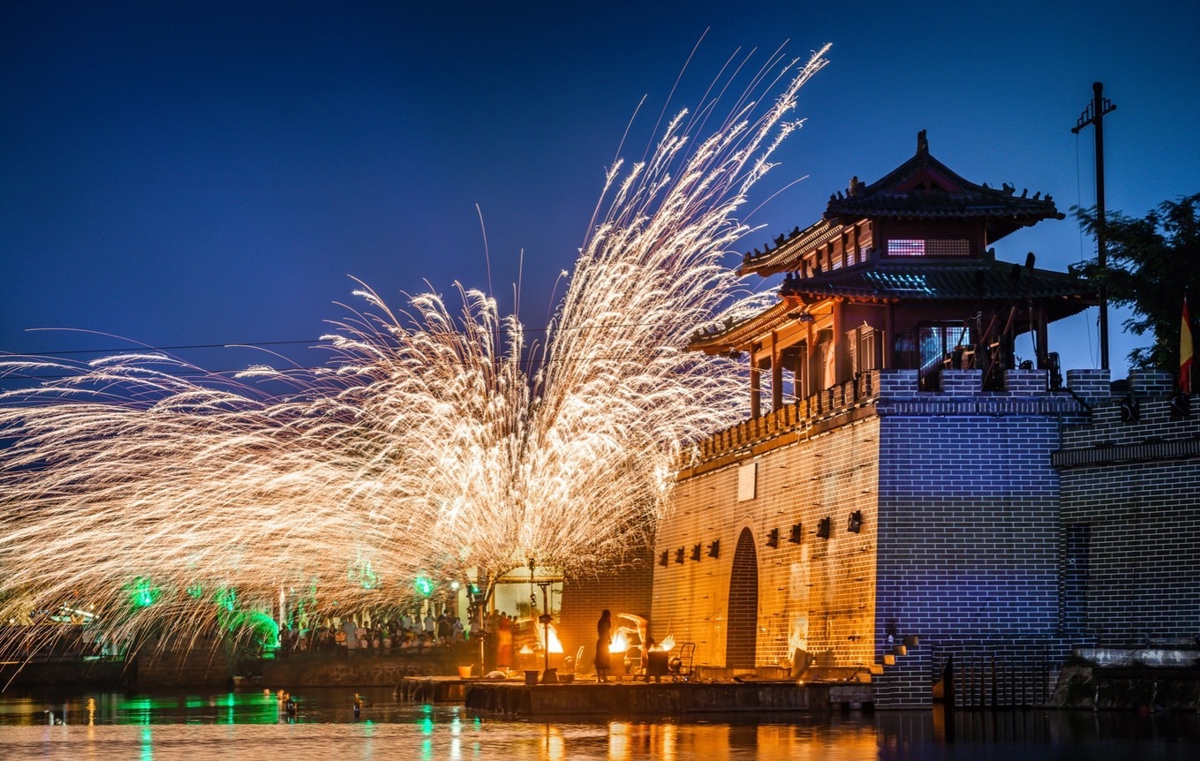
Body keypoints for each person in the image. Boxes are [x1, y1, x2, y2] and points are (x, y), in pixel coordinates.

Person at [595, 609, 612, 682]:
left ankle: (599, 678)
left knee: (599, 660)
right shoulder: (606, 622)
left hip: (600, 642)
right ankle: (604, 678)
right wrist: (609, 640)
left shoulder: (600, 621)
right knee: (604, 660)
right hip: (604, 643)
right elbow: (606, 632)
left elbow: (603, 632)